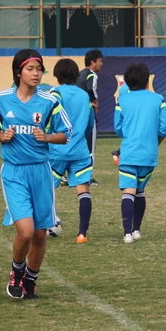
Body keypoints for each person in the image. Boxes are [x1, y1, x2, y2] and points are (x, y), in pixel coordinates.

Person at [0, 49, 72, 300]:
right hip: (14, 172)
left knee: (39, 233)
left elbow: (65, 133)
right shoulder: (2, 99)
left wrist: (46, 136)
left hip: (41, 172)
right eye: (30, 69)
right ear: (18, 72)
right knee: (25, 231)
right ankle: (17, 271)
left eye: (39, 69)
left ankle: (31, 280)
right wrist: (1, 136)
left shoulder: (49, 101)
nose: (36, 74)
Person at [114, 62, 166, 244]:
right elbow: (164, 129)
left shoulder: (122, 101)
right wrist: (153, 144)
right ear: (147, 81)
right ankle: (137, 229)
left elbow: (118, 128)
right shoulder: (158, 99)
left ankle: (127, 233)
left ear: (127, 82)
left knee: (128, 192)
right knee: (140, 192)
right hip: (149, 155)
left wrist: (129, 136)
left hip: (129, 153)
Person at [49, 58, 94, 244]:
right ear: (76, 74)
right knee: (83, 191)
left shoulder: (54, 94)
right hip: (80, 150)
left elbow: (47, 120)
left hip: (56, 150)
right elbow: (91, 124)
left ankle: (45, 224)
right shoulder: (85, 96)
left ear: (57, 75)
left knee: (46, 190)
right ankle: (82, 233)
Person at [76, 49, 103, 185]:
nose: (101, 64)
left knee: (75, 144)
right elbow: (91, 89)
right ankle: (88, 177)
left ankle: (66, 174)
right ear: (92, 62)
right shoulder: (91, 75)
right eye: (99, 61)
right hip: (87, 114)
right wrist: (95, 102)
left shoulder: (78, 74)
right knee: (90, 146)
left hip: (76, 115)